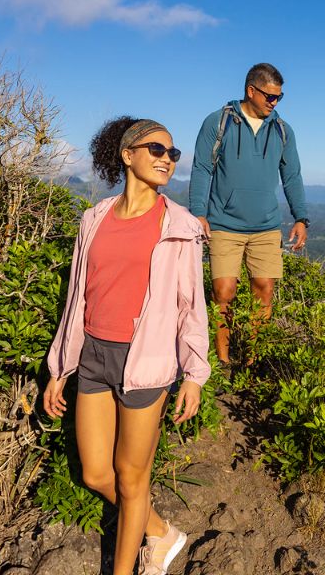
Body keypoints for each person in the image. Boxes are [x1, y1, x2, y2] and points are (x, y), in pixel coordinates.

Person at [44, 117, 210, 575]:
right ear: (127, 154)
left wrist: (195, 374)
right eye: (156, 149)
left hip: (146, 359)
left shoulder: (180, 225)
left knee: (132, 479)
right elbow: (78, 295)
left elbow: (191, 304)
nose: (167, 160)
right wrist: (61, 365)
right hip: (94, 355)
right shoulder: (93, 218)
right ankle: (160, 532)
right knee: (97, 473)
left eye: (173, 154)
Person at [189, 63, 309, 367]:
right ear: (250, 91)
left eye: (279, 97)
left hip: (267, 226)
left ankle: (253, 360)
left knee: (264, 292)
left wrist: (301, 217)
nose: (274, 102)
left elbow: (292, 176)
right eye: (269, 96)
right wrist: (198, 213)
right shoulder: (218, 123)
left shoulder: (283, 130)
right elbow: (202, 168)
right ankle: (224, 361)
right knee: (223, 291)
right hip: (224, 224)